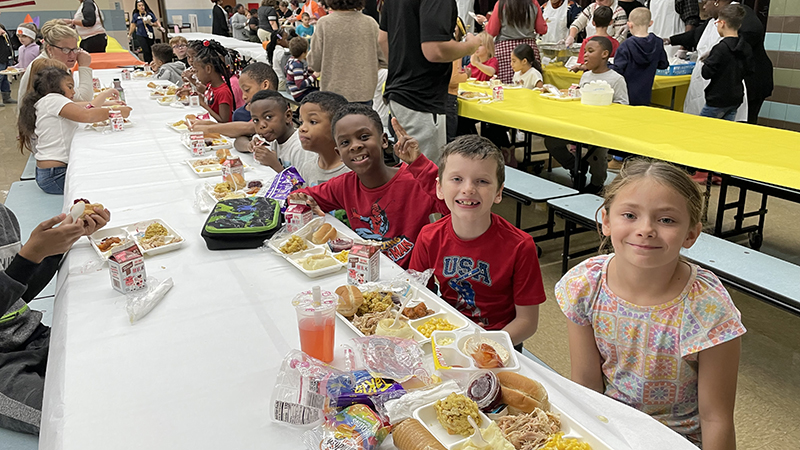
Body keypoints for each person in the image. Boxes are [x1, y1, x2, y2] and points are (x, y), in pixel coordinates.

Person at [556, 158, 745, 448]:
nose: (646, 229)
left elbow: (715, 418)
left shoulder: (708, 308)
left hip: (675, 440)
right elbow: (586, 386)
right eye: (629, 215)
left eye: (666, 220)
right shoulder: (586, 285)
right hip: (610, 429)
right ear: (606, 221)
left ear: (691, 234)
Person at [409, 135, 545, 346]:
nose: (468, 189)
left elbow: (527, 322)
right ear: (439, 188)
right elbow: (420, 298)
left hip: (500, 343)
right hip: (446, 337)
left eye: (482, 181)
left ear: (499, 192)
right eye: (457, 179)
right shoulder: (428, 236)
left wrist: (488, 344)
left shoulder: (520, 246)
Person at [289, 105, 449, 268]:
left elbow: (452, 206)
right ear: (339, 154)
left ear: (384, 140)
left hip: (412, 281)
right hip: (364, 274)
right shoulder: (344, 186)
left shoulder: (415, 180)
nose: (355, 146)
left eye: (364, 137)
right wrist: (305, 199)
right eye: (345, 142)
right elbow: (301, 197)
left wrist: (419, 164)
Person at [0, 203, 110, 434]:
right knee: (73, 416)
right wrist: (31, 255)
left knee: (114, 356)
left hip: (32, 333)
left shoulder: (3, 216)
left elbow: (20, 293)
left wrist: (57, 245)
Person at [379, 0, 480, 162]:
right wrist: (471, 46)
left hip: (400, 95)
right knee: (424, 174)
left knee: (408, 170)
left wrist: (403, 70)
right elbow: (435, 50)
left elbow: (383, 39)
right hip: (422, 99)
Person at [17, 65, 130, 194]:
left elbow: (86, 107)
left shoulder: (48, 101)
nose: (74, 92)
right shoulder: (53, 100)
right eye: (70, 87)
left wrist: (106, 98)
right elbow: (86, 115)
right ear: (54, 87)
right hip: (56, 175)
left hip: (50, 173)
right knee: (105, 181)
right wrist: (116, 112)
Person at [668, 0, 772, 125]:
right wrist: (670, 40)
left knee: (734, 126)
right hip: (732, 92)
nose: (704, 7)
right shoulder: (712, 22)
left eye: (706, 2)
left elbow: (754, 30)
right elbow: (694, 35)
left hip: (749, 87)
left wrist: (717, 51)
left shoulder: (740, 15)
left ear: (717, 2)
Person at [548, 37, 628, 194]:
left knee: (598, 152)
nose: (585, 55)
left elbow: (624, 106)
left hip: (600, 129)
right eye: (585, 51)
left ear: (605, 54)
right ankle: (576, 167)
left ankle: (597, 183)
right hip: (580, 125)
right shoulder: (586, 76)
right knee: (552, 142)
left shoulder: (616, 79)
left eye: (590, 51)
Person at [188, 62, 279, 153]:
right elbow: (239, 139)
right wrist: (248, 145)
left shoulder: (278, 107)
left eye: (247, 90)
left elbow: (249, 127)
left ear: (265, 85)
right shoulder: (242, 112)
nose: (244, 97)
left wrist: (209, 128)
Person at [308, 0, 384, 104]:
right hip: (363, 92)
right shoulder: (370, 23)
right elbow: (384, 59)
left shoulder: (324, 24)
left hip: (333, 92)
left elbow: (314, 63)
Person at [17, 20, 94, 111]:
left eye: (75, 49)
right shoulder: (47, 70)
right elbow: (83, 98)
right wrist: (84, 66)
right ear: (49, 49)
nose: (72, 55)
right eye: (65, 50)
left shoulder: (51, 61)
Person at [700, 4, 752, 122]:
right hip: (735, 98)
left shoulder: (720, 48)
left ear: (722, 23)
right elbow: (749, 70)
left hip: (717, 98)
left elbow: (706, 73)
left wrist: (708, 60)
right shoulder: (746, 47)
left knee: (701, 128)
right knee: (724, 130)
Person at [476, 0, 547, 84]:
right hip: (528, 48)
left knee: (504, 87)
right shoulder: (533, 3)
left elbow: (492, 31)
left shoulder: (501, 3)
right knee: (531, 83)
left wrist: (486, 23)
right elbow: (542, 29)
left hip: (505, 50)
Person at [610, 7, 667, 106]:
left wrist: (606, 64)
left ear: (629, 25)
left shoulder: (625, 46)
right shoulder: (658, 43)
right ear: (650, 23)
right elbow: (663, 64)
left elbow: (617, 70)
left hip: (625, 94)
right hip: (645, 94)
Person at [249, 89, 314, 172]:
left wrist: (275, 165)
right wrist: (250, 145)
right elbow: (238, 142)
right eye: (256, 120)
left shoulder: (301, 147)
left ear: (287, 116)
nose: (261, 125)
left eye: (268, 117)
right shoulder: (271, 138)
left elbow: (302, 184)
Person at [295, 91, 351, 186]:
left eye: (312, 122)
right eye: (301, 122)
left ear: (337, 127)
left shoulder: (351, 172)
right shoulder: (307, 168)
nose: (302, 128)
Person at [191, 40, 236, 123]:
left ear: (208, 69)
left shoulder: (223, 92)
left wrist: (204, 105)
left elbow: (223, 121)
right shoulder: (210, 86)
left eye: (197, 71)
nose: (196, 75)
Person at [286, 37, 318, 101]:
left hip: (299, 92)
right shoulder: (297, 65)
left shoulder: (292, 60)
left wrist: (308, 70)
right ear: (304, 53)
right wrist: (314, 76)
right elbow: (300, 85)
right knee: (321, 94)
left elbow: (298, 73)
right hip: (300, 94)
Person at [446, 60, 468, 143]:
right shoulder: (455, 52)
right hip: (449, 95)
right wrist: (466, 75)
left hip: (439, 94)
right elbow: (453, 79)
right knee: (450, 138)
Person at [0, 25, 15, 107]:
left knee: (5, 79)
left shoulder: (1, 26)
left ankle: (6, 97)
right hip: (0, 58)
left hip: (6, 58)